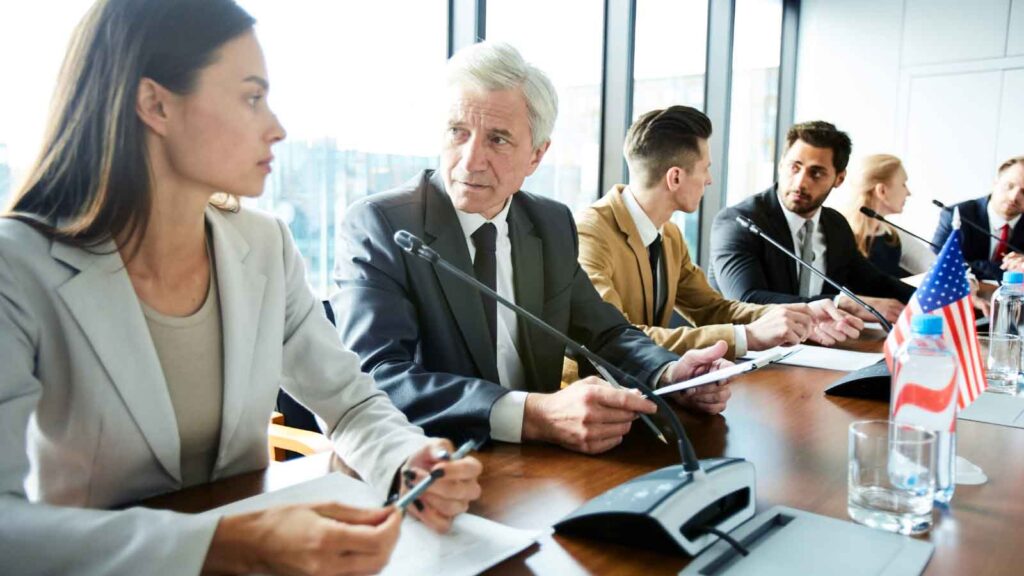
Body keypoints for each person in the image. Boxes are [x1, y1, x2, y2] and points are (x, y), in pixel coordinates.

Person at [0, 1, 481, 574]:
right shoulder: (18, 268)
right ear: (155, 103)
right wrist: (223, 544)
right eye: (252, 97)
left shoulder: (266, 246)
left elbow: (349, 403)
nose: (276, 126)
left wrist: (408, 460)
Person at [333, 42, 733, 456]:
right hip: (438, 464)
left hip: (545, 465)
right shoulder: (382, 224)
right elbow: (377, 377)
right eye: (458, 132)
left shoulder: (550, 223)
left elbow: (605, 332)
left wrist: (669, 373)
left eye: (498, 140)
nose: (470, 161)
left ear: (537, 155)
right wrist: (532, 414)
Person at [570, 106, 861, 374]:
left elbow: (713, 308)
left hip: (652, 384)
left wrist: (798, 313)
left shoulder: (668, 234)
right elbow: (617, 336)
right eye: (705, 168)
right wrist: (747, 337)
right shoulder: (590, 235)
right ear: (675, 178)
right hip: (593, 394)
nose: (709, 179)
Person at [708, 120, 915, 323]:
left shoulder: (835, 225)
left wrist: (930, 299)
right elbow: (747, 300)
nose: (800, 183)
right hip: (744, 351)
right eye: (794, 167)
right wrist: (841, 303)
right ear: (781, 164)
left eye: (816, 173)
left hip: (815, 347)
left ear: (839, 179)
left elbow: (875, 282)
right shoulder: (739, 222)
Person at [841, 154, 935, 277]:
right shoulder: (841, 236)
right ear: (882, 191)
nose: (908, 193)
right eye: (903, 184)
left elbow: (936, 266)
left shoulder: (892, 235)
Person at [934, 156, 1024, 280]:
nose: (1014, 197)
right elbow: (937, 264)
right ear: (995, 182)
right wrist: (1003, 270)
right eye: (1009, 186)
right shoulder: (957, 215)